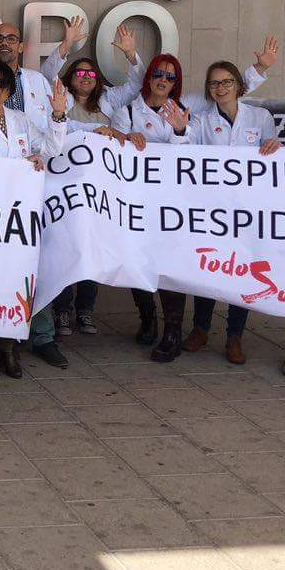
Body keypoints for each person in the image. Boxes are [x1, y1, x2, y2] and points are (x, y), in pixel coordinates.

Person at [0, 58, 69, 379]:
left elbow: (50, 148)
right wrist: (26, 162)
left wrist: (59, 115)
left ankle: (8, 347)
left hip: (21, 214)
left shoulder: (20, 119)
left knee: (16, 280)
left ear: (9, 91)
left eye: (1, 84)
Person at [44, 19, 143, 338]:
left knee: (92, 248)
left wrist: (131, 54)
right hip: (66, 186)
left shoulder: (109, 101)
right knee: (66, 246)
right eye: (79, 73)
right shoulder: (61, 99)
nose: (85, 78)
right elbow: (49, 80)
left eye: (91, 74)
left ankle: (85, 310)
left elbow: (138, 84)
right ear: (71, 78)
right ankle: (62, 310)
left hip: (100, 190)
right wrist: (66, 44)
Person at [180, 60, 282, 365]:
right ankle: (200, 329)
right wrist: (178, 129)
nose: (220, 88)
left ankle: (235, 335)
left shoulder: (260, 117)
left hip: (248, 208)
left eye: (226, 82)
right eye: (214, 83)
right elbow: (186, 148)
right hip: (213, 208)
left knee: (243, 272)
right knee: (209, 267)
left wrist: (276, 145)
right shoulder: (201, 120)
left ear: (238, 84)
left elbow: (274, 155)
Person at [111, 52, 196, 359]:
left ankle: (173, 332)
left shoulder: (183, 112)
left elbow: (191, 159)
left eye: (170, 77)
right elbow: (112, 147)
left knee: (171, 267)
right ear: (149, 77)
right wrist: (124, 136)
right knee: (138, 263)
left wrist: (179, 131)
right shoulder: (128, 112)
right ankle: (148, 318)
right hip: (137, 203)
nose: (163, 80)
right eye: (159, 74)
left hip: (172, 205)